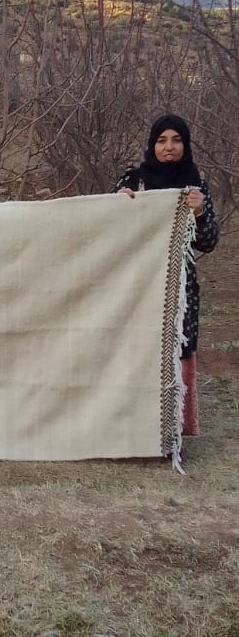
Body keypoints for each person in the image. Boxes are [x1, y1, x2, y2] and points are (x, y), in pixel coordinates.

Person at [115, 113, 219, 436]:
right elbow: (108, 231)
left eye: (176, 140)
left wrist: (199, 212)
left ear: (185, 145)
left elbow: (209, 241)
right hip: (138, 283)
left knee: (177, 348)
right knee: (139, 347)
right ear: (152, 145)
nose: (169, 147)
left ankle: (172, 430)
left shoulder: (196, 186)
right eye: (161, 141)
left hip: (180, 287)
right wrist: (117, 205)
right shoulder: (133, 182)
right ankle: (135, 429)